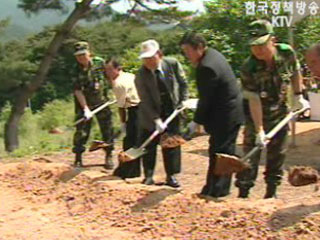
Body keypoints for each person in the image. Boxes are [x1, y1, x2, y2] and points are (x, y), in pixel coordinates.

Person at [235, 20, 309, 198]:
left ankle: (271, 193)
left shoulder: (286, 53)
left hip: (280, 111)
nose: (258, 50)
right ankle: (244, 192)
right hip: (256, 115)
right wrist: (260, 130)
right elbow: (253, 100)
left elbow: (296, 71)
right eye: (254, 46)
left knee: (277, 154)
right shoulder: (248, 68)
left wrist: (299, 95)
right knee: (251, 153)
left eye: (262, 45)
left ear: (272, 41)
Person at [180, 32, 244, 198]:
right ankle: (212, 187)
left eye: (188, 52)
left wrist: (196, 122)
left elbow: (206, 99)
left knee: (221, 153)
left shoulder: (206, 67)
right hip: (228, 111)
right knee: (219, 151)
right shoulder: (213, 55)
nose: (187, 56)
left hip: (226, 114)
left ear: (199, 48)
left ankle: (218, 190)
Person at [135, 39, 189, 187]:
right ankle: (149, 175)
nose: (147, 62)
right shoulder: (140, 74)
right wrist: (156, 119)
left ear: (159, 54)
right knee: (149, 146)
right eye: (145, 59)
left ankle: (171, 176)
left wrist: (184, 100)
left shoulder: (172, 64)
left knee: (171, 144)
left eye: (150, 57)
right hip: (150, 114)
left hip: (172, 110)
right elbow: (144, 99)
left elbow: (183, 83)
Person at [72, 41, 114, 169]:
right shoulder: (75, 69)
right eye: (78, 56)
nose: (81, 58)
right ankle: (78, 158)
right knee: (82, 132)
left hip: (102, 102)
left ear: (89, 53)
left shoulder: (99, 63)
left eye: (83, 55)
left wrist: (116, 92)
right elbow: (77, 90)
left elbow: (110, 77)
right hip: (84, 104)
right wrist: (85, 109)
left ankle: (109, 155)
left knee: (107, 130)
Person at [104, 57, 141, 179]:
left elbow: (121, 107)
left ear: (117, 68)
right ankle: (133, 170)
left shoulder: (118, 84)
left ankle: (129, 171)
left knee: (130, 142)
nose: (108, 73)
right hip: (143, 108)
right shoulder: (129, 75)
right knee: (136, 141)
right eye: (106, 70)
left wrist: (123, 123)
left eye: (110, 69)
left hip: (135, 109)